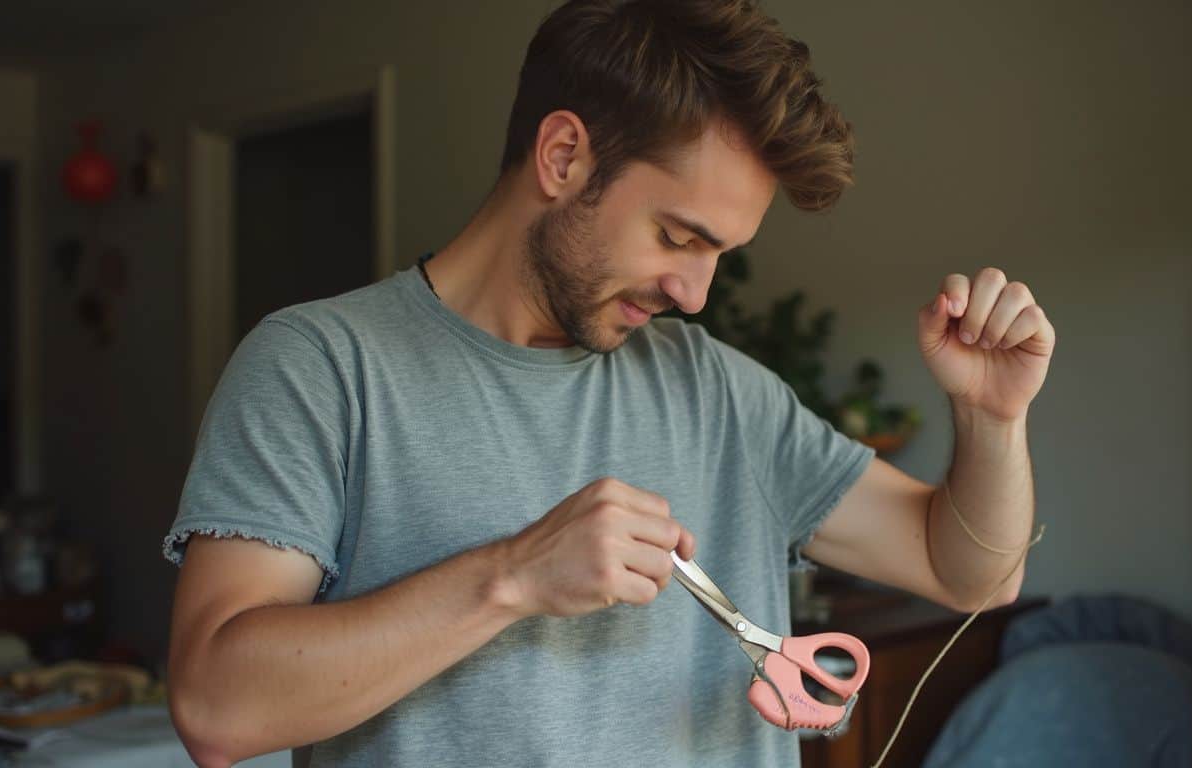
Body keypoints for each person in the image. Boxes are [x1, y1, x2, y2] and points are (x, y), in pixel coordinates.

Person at [162, 1, 1055, 766]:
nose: (696, 295)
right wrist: (511, 576)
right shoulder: (320, 368)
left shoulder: (716, 391)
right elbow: (215, 709)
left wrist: (990, 418)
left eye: (721, 256)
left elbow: (969, 570)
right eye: (678, 237)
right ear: (562, 157)